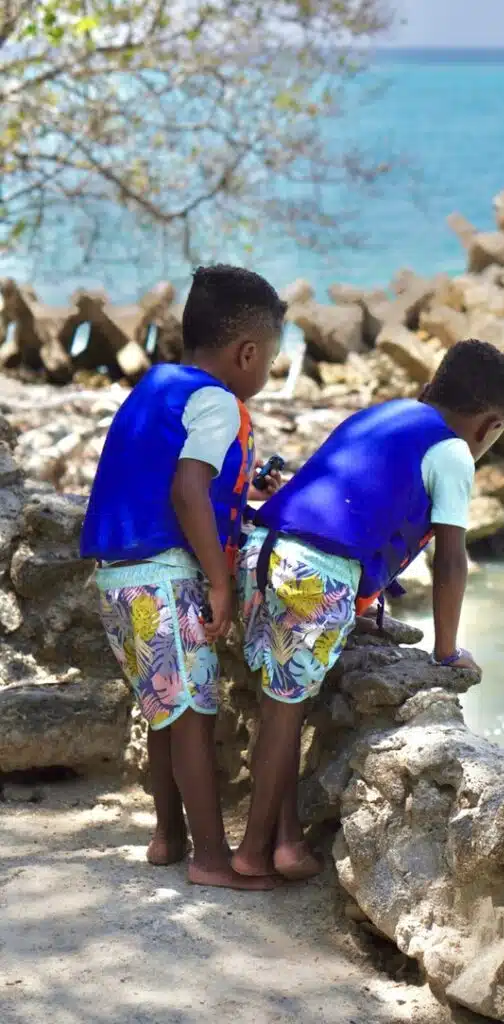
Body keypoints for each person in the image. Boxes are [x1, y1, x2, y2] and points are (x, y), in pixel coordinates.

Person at [233, 338, 504, 882]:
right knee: (285, 712)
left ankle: (287, 842)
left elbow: (347, 503)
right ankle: (253, 852)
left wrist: (355, 607)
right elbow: (450, 561)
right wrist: (445, 651)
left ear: (425, 390)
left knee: (279, 701)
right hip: (313, 573)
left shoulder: (379, 415)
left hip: (261, 551)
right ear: (491, 428)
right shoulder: (455, 451)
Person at [80, 264, 285, 890]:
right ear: (246, 352)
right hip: (164, 575)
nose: (268, 373)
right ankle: (211, 858)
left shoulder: (155, 386)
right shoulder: (218, 399)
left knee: (164, 710)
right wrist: (222, 583)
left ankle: (168, 836)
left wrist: (247, 493)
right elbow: (188, 488)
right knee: (194, 713)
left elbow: (165, 474)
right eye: (271, 360)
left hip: (117, 574)